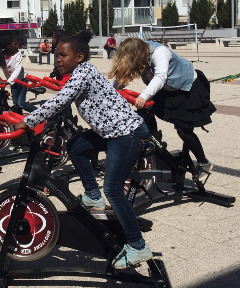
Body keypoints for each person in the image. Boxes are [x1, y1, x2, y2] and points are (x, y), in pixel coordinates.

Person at [14, 31, 153, 269]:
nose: (58, 59)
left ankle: (138, 246)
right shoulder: (78, 72)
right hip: (109, 132)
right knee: (75, 146)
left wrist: (30, 119)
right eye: (56, 55)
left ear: (79, 57)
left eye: (63, 55)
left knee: (113, 189)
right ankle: (93, 197)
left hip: (125, 133)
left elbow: (62, 100)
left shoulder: (84, 73)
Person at [110, 37, 215, 184]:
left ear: (138, 54)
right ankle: (157, 148)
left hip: (187, 88)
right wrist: (112, 91)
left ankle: (203, 162)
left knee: (183, 129)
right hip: (167, 89)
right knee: (145, 113)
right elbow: (123, 75)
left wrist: (144, 95)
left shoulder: (159, 52)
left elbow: (160, 77)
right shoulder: (140, 57)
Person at [0, 35, 36, 113]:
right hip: (13, 81)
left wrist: (9, 81)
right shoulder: (0, 56)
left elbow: (18, 69)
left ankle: (39, 113)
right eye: (15, 43)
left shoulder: (17, 54)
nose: (17, 45)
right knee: (15, 103)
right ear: (8, 46)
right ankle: (19, 119)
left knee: (21, 103)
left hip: (22, 79)